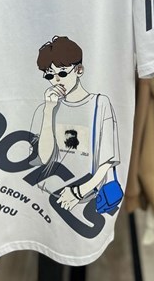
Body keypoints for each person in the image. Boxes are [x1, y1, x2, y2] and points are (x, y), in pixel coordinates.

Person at [29, 36, 121, 213]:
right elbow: (44, 158)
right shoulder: (46, 107)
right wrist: (48, 111)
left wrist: (79, 192)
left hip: (84, 200)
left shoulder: (100, 104)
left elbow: (107, 161)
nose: (56, 80)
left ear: (79, 70)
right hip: (46, 196)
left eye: (62, 73)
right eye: (50, 75)